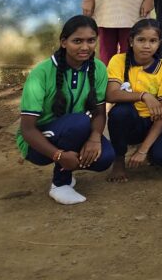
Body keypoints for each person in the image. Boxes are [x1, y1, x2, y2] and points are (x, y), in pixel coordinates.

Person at [16, 16, 114, 205]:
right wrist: (59, 156)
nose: (85, 47)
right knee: (80, 122)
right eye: (77, 41)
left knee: (105, 157)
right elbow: (27, 130)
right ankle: (60, 183)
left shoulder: (99, 68)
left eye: (91, 40)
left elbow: (100, 112)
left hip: (74, 130)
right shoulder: (41, 73)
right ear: (63, 42)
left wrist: (94, 139)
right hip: (37, 141)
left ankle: (66, 171)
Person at [104, 19, 162, 182]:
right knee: (119, 113)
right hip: (130, 122)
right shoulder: (118, 60)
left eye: (153, 41)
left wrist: (143, 150)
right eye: (141, 40)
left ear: (159, 43)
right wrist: (144, 95)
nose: (147, 46)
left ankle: (149, 148)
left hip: (155, 121)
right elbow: (111, 94)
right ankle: (119, 159)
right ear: (131, 41)